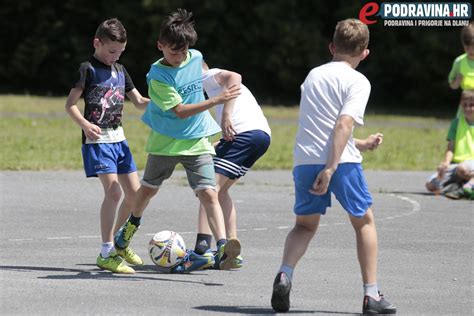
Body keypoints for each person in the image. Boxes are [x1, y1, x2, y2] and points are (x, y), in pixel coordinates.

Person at [270, 19, 397, 314]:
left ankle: (284, 273)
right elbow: (342, 123)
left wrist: (360, 143)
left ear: (332, 47)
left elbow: (325, 124)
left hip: (305, 159)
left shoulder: (314, 75)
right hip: (339, 164)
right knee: (364, 221)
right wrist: (330, 168)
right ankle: (371, 295)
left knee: (304, 226)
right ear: (365, 53)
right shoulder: (358, 81)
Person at [114, 9, 242, 273]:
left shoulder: (195, 58)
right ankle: (130, 226)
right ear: (160, 46)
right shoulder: (157, 76)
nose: (180, 56)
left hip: (197, 141)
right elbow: (180, 111)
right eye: (174, 52)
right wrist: (217, 100)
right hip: (167, 141)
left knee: (209, 192)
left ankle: (222, 248)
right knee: (148, 190)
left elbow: (212, 74)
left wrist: (223, 86)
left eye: (184, 51)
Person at [65, 18, 150, 274]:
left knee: (136, 195)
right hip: (98, 140)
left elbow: (138, 101)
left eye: (120, 52)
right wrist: (84, 124)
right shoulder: (87, 69)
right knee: (114, 193)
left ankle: (118, 245)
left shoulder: (121, 71)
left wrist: (161, 102)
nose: (115, 56)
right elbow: (70, 105)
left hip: (119, 140)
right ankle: (105, 251)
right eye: (112, 51)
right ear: (97, 43)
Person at [193, 62, 272, 269]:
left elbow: (235, 76)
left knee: (207, 189)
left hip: (245, 134)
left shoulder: (206, 75)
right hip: (260, 136)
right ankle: (231, 248)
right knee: (221, 191)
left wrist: (226, 115)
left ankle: (202, 250)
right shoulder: (211, 87)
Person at [425, 90, 474, 199]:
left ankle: (466, 186)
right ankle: (463, 184)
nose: (468, 108)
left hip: (469, 164)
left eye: (472, 105)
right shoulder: (456, 123)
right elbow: (451, 147)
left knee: (462, 169)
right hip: (457, 165)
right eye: (465, 105)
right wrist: (445, 163)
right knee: (431, 185)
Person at [448, 22, 474, 117]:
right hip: (466, 104)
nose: (471, 51)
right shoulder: (459, 62)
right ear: (463, 44)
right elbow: (452, 86)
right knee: (459, 127)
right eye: (467, 48)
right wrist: (457, 81)